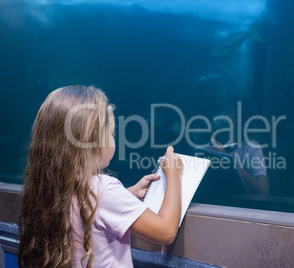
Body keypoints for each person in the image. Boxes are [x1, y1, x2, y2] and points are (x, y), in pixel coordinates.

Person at [18, 85, 183, 268]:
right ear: (91, 139)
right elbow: (165, 232)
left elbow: (84, 208)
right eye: (111, 133)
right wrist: (174, 175)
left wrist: (128, 194)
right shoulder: (103, 188)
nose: (114, 140)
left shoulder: (49, 187)